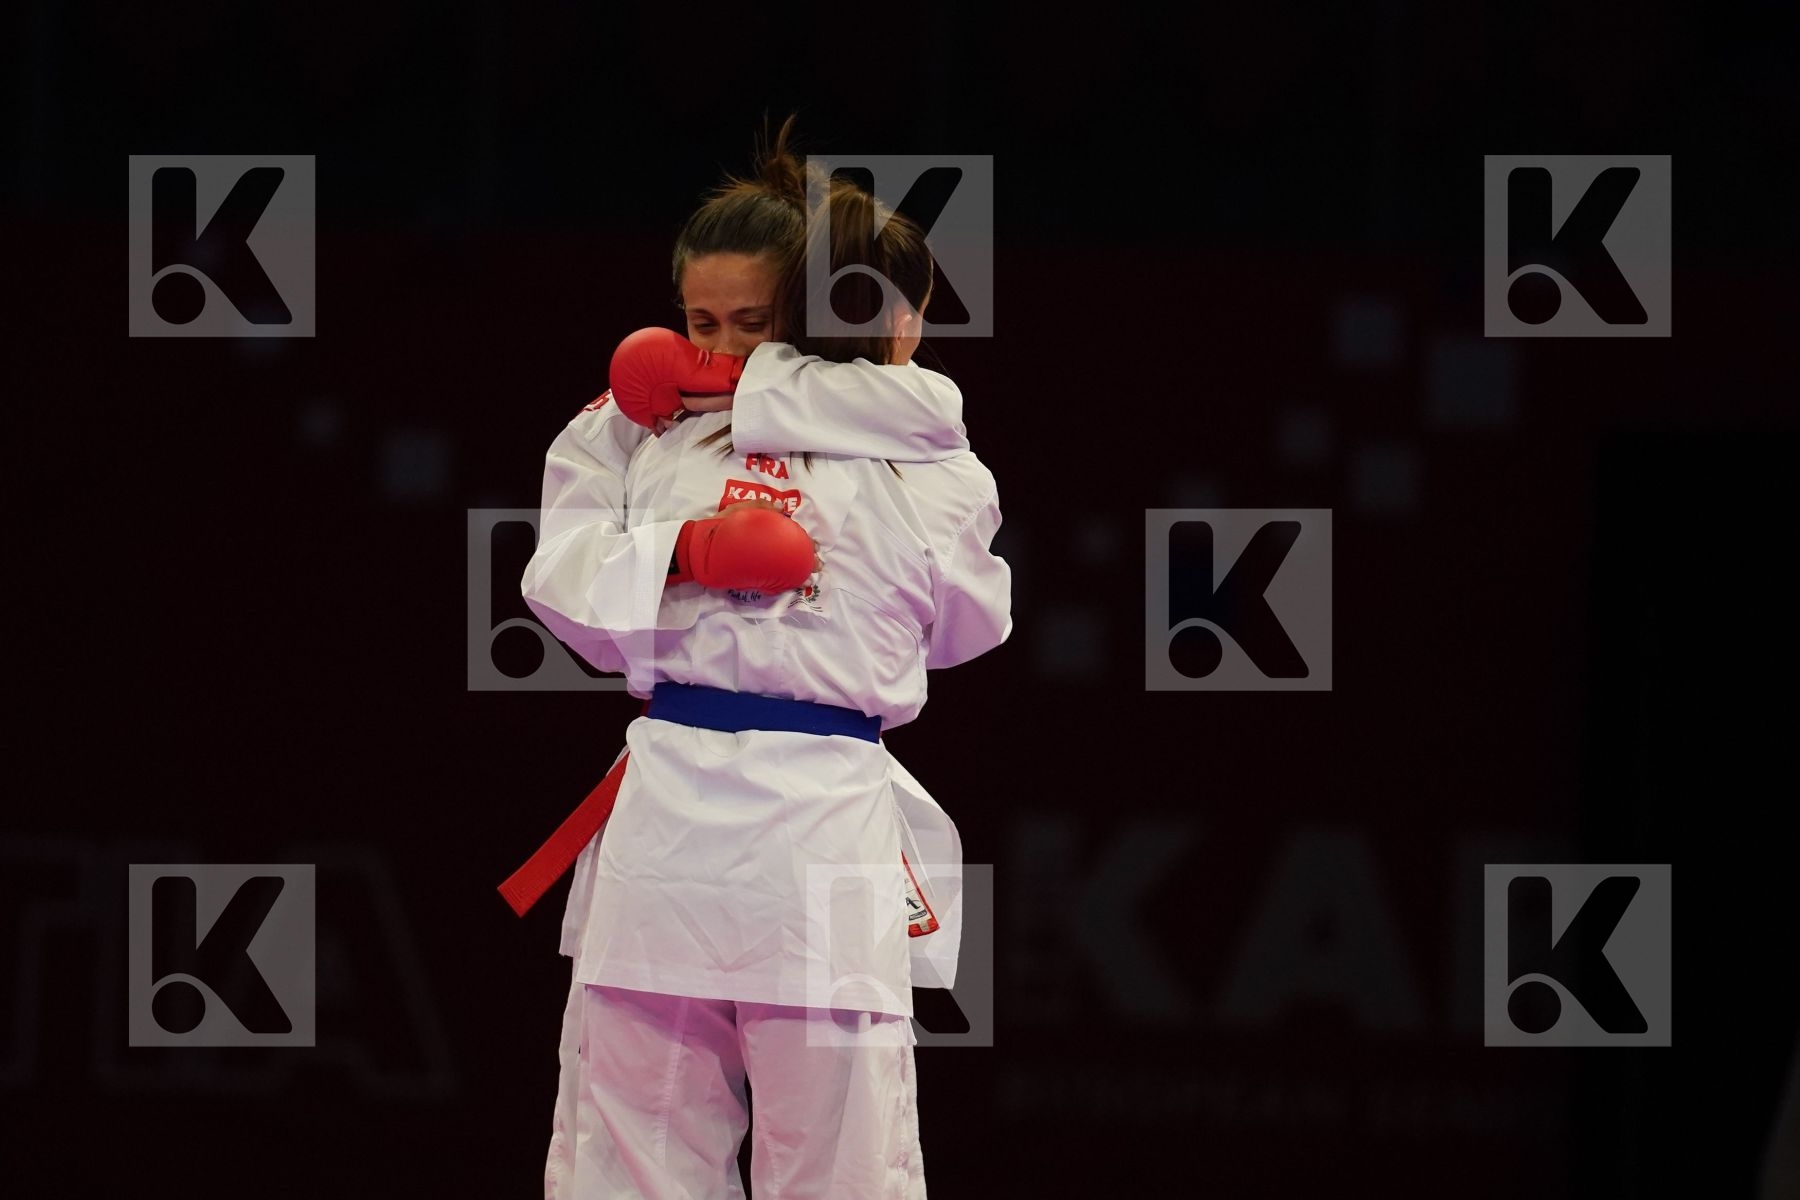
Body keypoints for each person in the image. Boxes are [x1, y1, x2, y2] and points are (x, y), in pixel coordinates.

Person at [513, 121, 1010, 1198]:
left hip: (824, 815)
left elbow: (968, 623)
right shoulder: (632, 425)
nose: (719, 348)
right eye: (698, 322)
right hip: (670, 813)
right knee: (627, 1155)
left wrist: (805, 439)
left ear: (807, 319)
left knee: (843, 1162)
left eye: (752, 325)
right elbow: (559, 582)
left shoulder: (912, 445)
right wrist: (681, 554)